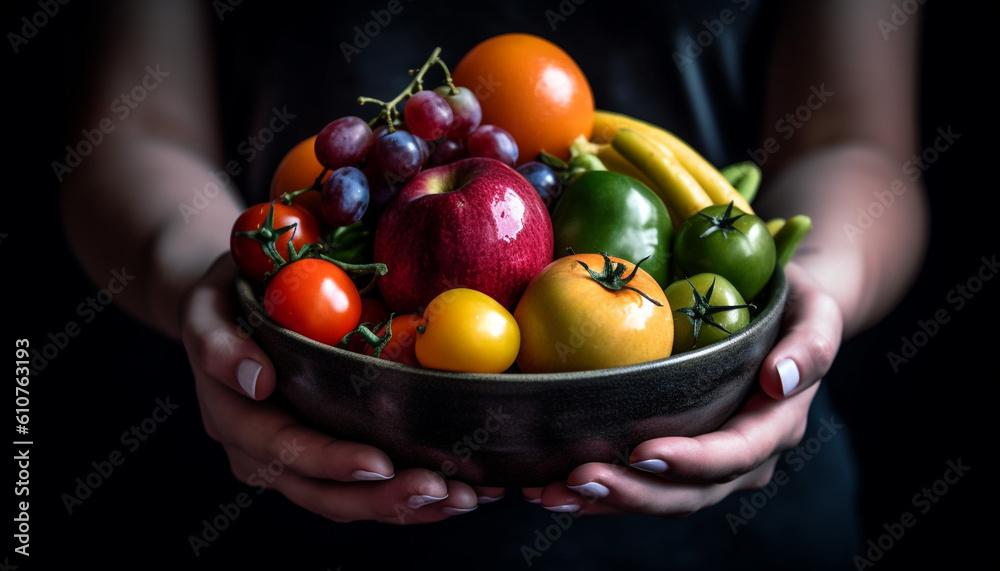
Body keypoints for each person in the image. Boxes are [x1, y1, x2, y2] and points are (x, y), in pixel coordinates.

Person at [59, 0, 927, 567]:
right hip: (283, 476)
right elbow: (132, 129)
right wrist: (210, 287)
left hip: (740, 526)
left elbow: (858, 140)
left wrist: (820, 295)